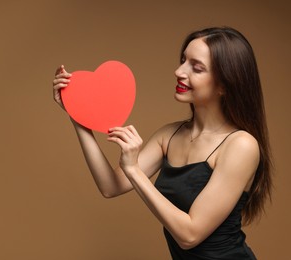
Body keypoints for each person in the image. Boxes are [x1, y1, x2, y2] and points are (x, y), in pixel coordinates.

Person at [52, 27, 272, 259]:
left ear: (224, 85)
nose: (179, 71)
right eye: (182, 60)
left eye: (196, 68)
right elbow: (110, 186)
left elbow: (189, 235)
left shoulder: (241, 145)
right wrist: (77, 115)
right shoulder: (169, 135)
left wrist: (134, 170)